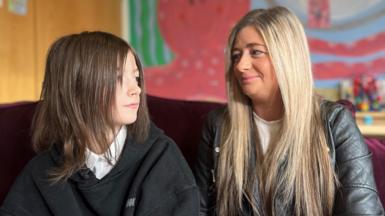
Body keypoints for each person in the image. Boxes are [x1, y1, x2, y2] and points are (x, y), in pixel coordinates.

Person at [195, 6, 384, 216]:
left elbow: (362, 211)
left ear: (287, 57)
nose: (241, 65)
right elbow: (200, 210)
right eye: (236, 55)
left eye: (255, 52)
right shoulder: (218, 126)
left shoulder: (335, 123)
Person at [0, 31, 199, 216]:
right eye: (118, 77)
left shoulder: (160, 157)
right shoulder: (43, 170)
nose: (136, 90)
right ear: (78, 89)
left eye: (136, 78)